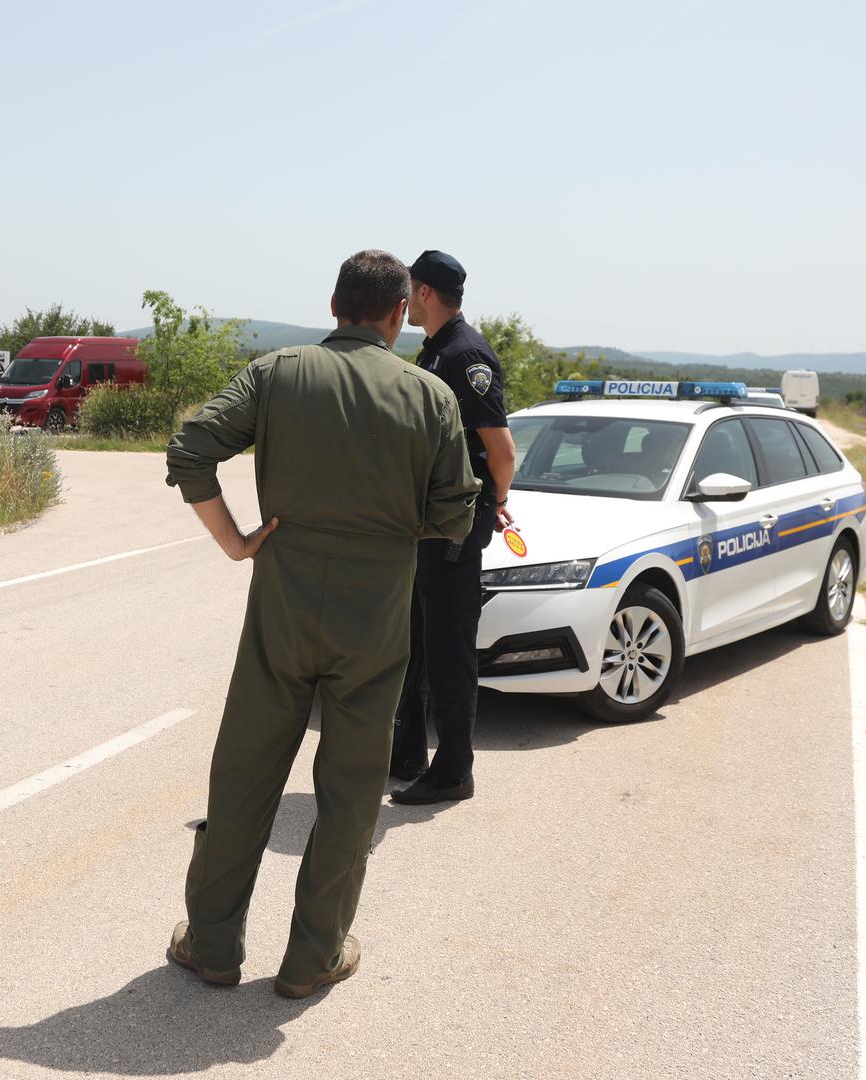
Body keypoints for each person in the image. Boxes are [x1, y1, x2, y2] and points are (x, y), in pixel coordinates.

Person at [163, 250, 479, 998]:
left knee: (245, 769)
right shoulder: (429, 394)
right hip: (376, 614)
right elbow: (454, 513)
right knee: (351, 784)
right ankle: (313, 957)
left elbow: (190, 449)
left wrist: (237, 542)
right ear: (399, 313)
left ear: (334, 303)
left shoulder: (276, 373)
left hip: (284, 600)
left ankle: (212, 945)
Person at [390, 250, 517, 806]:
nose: (407, 302)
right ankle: (410, 750)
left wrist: (495, 498)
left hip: (453, 529)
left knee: (448, 650)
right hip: (431, 524)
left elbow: (501, 449)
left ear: (423, 293)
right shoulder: (437, 350)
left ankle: (455, 771)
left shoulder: (466, 356)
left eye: (411, 291)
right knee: (418, 642)